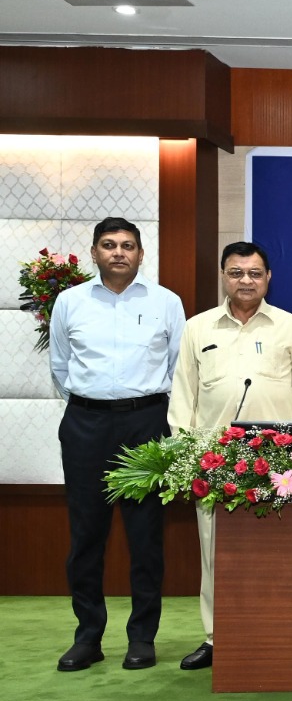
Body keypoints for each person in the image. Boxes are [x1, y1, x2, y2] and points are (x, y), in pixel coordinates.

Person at [167, 241, 292, 671]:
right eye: (236, 272)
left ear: (268, 278)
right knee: (215, 554)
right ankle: (216, 639)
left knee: (280, 553)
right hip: (214, 461)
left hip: (279, 463)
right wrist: (186, 457)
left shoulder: (290, 327)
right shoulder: (198, 328)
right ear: (223, 276)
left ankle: (282, 633)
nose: (246, 281)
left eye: (255, 273)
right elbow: (182, 398)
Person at [48, 217, 186, 672]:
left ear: (141, 254)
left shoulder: (166, 302)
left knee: (145, 537)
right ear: (94, 253)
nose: (119, 252)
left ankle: (142, 638)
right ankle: (88, 638)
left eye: (128, 245)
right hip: (86, 425)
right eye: (109, 245)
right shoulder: (70, 302)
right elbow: (61, 367)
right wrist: (94, 404)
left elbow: (179, 369)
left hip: (146, 424)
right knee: (86, 536)